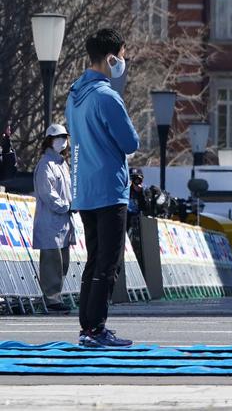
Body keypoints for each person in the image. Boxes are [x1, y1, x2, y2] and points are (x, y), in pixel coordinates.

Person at [66, 28, 140, 349]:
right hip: (110, 189)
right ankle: (95, 329)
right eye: (122, 56)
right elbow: (130, 142)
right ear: (111, 58)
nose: (123, 62)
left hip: (85, 189)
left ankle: (87, 326)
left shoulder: (74, 95)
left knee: (94, 259)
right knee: (107, 262)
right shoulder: (106, 96)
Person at [33, 124, 75, 313]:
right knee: (51, 263)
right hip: (50, 222)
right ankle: (51, 300)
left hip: (64, 223)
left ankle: (55, 296)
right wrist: (66, 206)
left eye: (65, 137)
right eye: (59, 137)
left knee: (62, 263)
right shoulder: (45, 164)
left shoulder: (62, 164)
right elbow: (47, 193)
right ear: (49, 140)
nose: (63, 141)